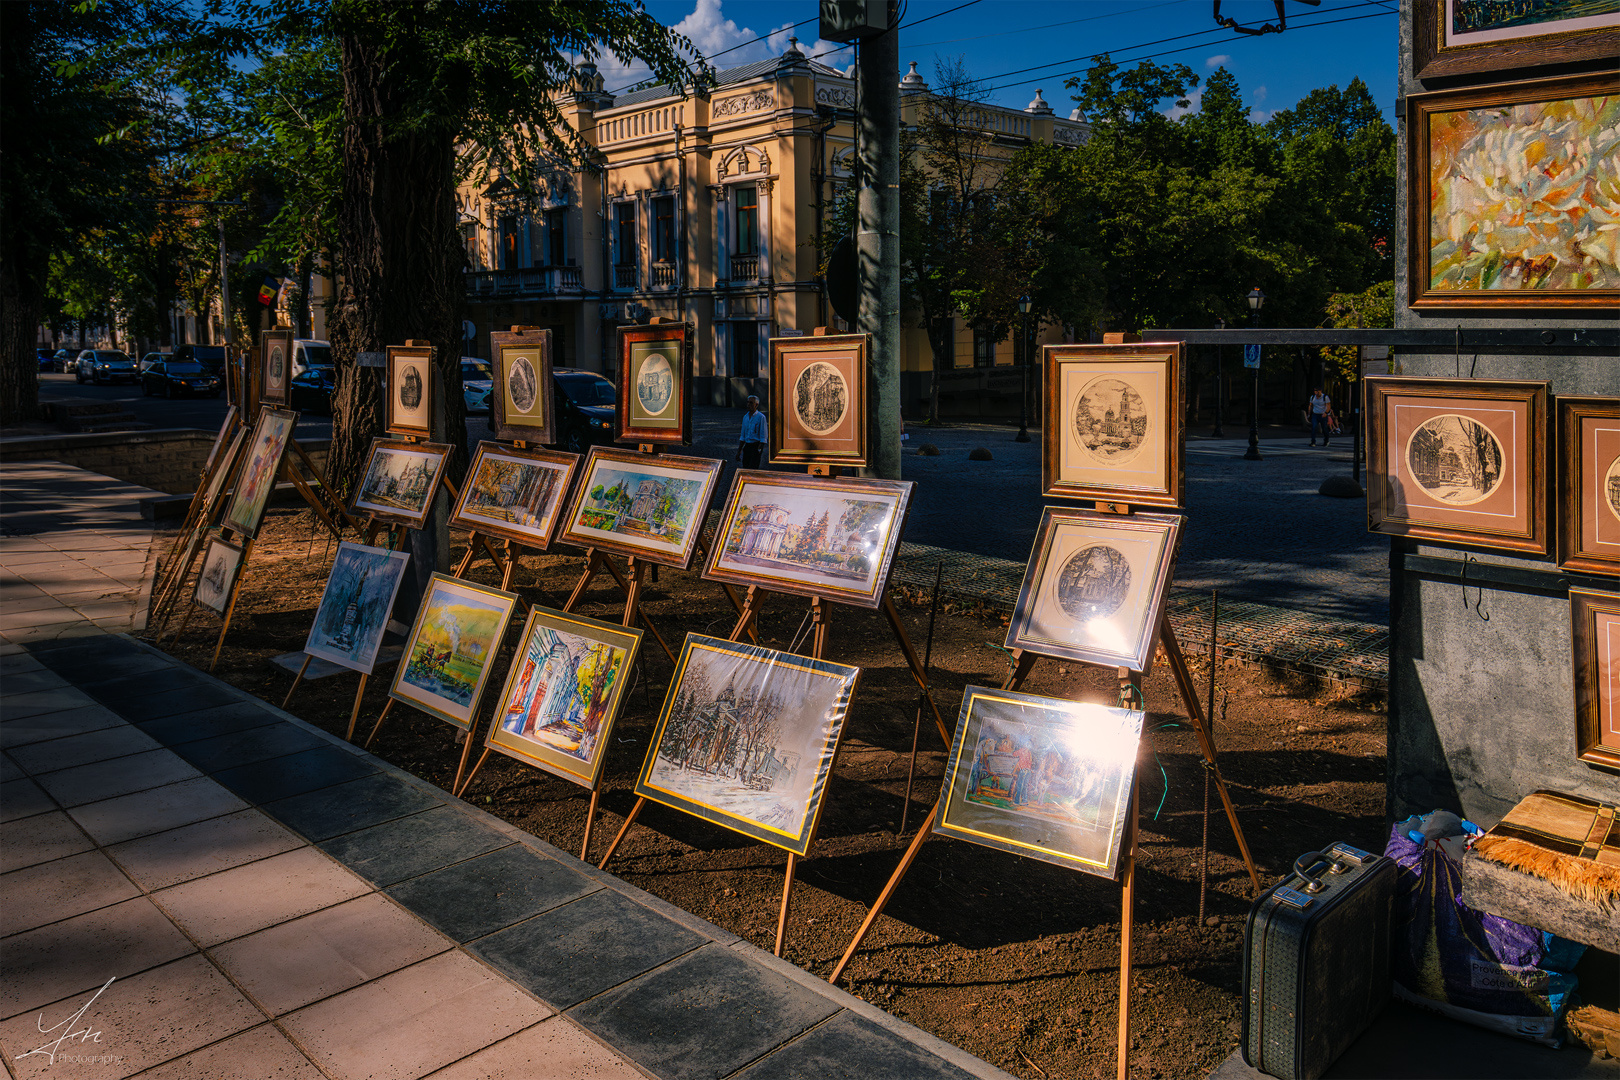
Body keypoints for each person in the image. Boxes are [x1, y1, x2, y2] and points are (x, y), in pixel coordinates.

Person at [737, 395, 767, 469]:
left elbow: (763, 435)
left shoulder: (761, 417)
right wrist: (739, 451)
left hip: (755, 446)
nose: (748, 405)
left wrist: (759, 449)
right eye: (748, 402)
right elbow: (743, 435)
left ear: (756, 405)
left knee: (753, 468)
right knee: (745, 467)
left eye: (751, 403)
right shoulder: (745, 417)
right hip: (747, 446)